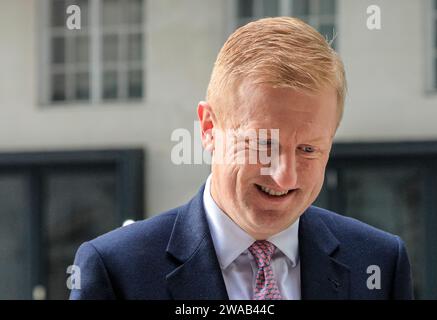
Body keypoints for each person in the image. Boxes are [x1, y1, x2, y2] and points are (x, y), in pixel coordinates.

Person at [70, 17, 413, 300]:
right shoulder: (116, 271)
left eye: (308, 149)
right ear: (208, 128)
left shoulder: (380, 262)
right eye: (264, 144)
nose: (285, 177)